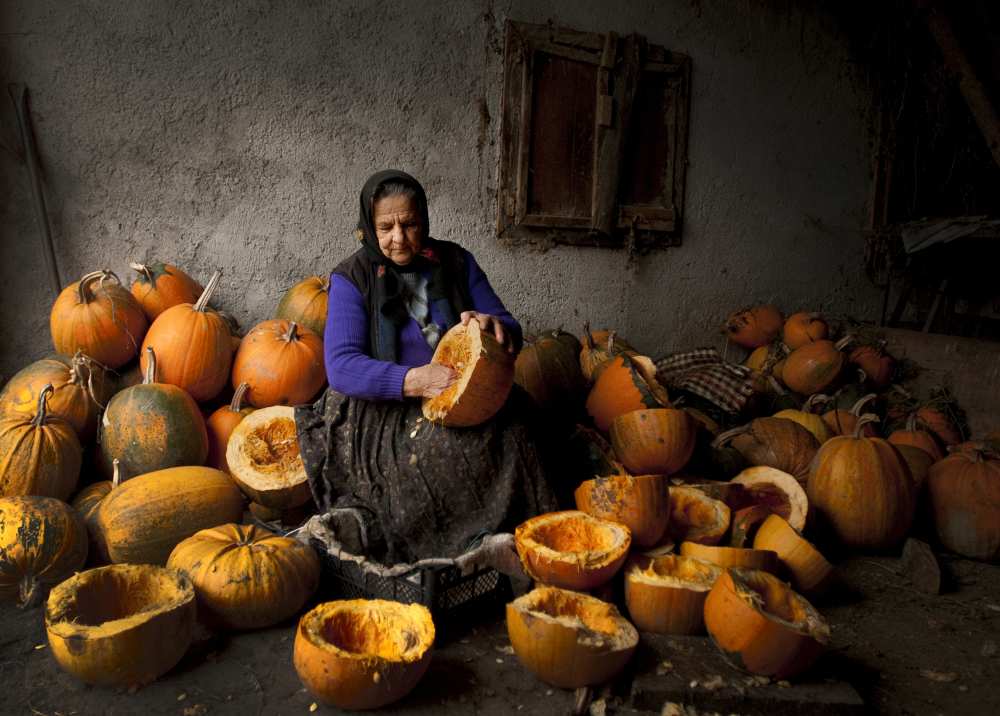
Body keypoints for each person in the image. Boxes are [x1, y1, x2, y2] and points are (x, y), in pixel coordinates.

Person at [295, 170, 556, 565]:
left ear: (425, 220)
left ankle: (513, 547)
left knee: (517, 429)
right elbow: (342, 368)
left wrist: (495, 329)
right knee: (439, 452)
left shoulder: (456, 261)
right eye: (385, 227)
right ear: (369, 226)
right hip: (382, 404)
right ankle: (451, 554)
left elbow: (511, 328)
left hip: (462, 389)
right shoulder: (352, 278)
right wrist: (413, 380)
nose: (398, 238)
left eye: (409, 224)